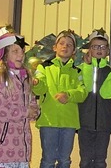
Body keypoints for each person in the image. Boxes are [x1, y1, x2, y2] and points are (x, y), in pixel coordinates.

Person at [0, 31, 39, 168]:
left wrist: (34, 110)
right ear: (4, 54)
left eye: (22, 51)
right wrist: (25, 112)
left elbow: (31, 100)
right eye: (15, 51)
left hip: (20, 147)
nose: (21, 55)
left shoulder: (24, 77)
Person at [33, 29, 88, 168]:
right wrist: (36, 83)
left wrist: (68, 95)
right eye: (62, 43)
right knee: (48, 160)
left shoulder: (77, 71)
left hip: (69, 122)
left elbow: (82, 92)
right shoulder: (44, 67)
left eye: (69, 45)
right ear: (54, 47)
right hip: (48, 120)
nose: (65, 46)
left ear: (74, 50)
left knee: (65, 160)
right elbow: (40, 89)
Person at [77, 29, 111, 168]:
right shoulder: (80, 68)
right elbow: (86, 90)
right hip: (84, 123)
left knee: (100, 161)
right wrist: (87, 67)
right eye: (95, 46)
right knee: (85, 160)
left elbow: (105, 94)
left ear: (108, 51)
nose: (99, 50)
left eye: (103, 47)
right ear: (89, 49)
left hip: (103, 123)